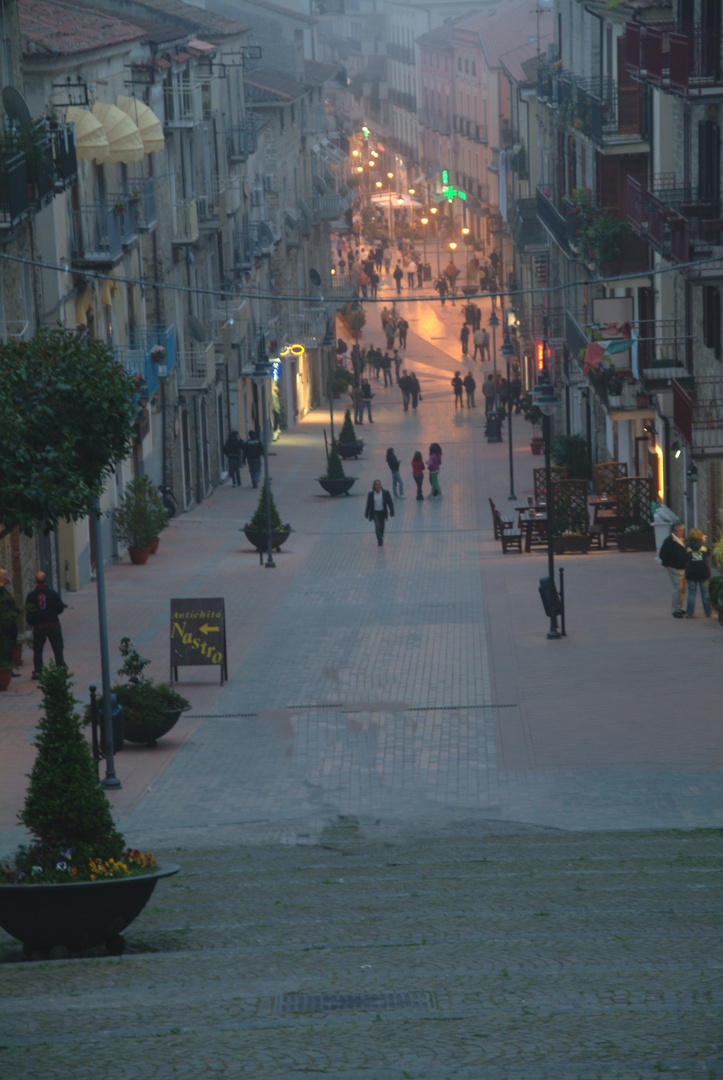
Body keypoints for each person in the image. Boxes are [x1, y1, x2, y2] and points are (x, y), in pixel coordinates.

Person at [25, 571, 67, 678]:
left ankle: (38, 671)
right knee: (57, 648)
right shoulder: (52, 593)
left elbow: (28, 613)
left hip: (39, 626)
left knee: (38, 650)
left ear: (35, 581)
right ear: (46, 580)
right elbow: (60, 608)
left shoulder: (31, 596)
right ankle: (60, 668)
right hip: (53, 624)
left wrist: (33, 623)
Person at [659, 523, 687, 617]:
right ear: (674, 531)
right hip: (675, 568)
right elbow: (662, 555)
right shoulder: (669, 541)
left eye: (683, 530)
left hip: (683, 567)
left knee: (683, 588)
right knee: (677, 588)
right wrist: (671, 564)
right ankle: (675, 610)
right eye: (680, 530)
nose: (682, 532)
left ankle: (679, 607)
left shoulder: (682, 540)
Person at [684, 528, 712, 617]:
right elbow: (709, 553)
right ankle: (708, 612)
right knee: (705, 593)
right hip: (703, 572)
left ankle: (689, 612)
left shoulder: (687, 547)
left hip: (691, 572)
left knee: (691, 593)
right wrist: (703, 541)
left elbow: (684, 557)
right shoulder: (704, 547)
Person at [0, 569, 19, 673]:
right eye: (8, 576)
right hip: (7, 626)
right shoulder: (3, 593)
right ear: (4, 578)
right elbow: (10, 607)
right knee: (8, 648)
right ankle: (7, 670)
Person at [365, 479, 395, 546]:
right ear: (374, 486)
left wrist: (391, 511)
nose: (378, 486)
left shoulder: (385, 493)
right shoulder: (371, 494)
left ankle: (380, 535)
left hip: (382, 512)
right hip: (375, 512)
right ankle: (379, 539)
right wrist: (367, 513)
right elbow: (369, 504)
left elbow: (390, 503)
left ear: (381, 485)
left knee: (382, 526)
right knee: (377, 525)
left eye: (379, 484)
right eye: (376, 484)